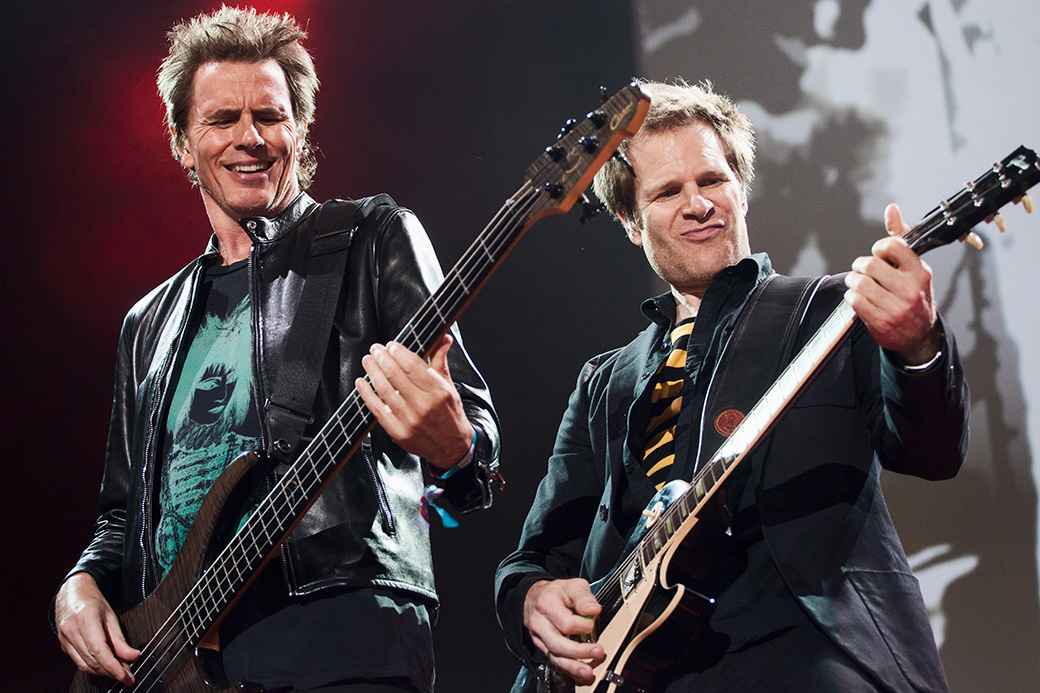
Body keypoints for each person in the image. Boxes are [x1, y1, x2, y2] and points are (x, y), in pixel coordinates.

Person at [51, 7, 500, 692]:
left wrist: (456, 447)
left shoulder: (371, 238)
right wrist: (80, 584)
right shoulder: (148, 323)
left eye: (269, 116)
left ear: (299, 129)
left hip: (341, 629)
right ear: (181, 143)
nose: (250, 137)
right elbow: (120, 515)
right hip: (173, 660)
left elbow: (473, 439)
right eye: (222, 119)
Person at [495, 80, 968, 692]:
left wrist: (917, 344)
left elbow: (931, 453)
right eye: (668, 191)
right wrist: (531, 599)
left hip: (806, 655)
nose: (698, 204)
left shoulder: (832, 312)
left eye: (712, 180)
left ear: (741, 190)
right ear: (630, 222)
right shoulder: (604, 383)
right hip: (635, 673)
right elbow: (538, 556)